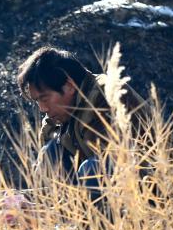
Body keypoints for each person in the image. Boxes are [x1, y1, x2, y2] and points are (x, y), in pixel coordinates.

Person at [16, 47, 148, 200]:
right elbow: (50, 174)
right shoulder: (59, 116)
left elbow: (116, 165)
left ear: (70, 86)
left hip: (149, 188)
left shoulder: (107, 96)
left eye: (44, 98)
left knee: (92, 169)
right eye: (37, 101)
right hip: (99, 191)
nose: (42, 108)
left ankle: (84, 220)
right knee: (50, 153)